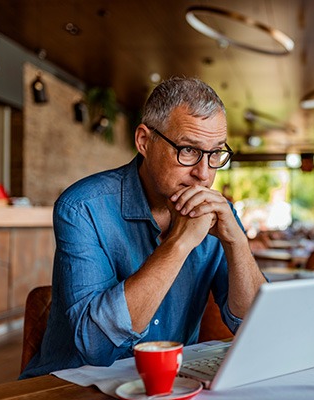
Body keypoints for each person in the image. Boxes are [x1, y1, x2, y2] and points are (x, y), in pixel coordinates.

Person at [20, 77, 266, 378]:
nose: (203, 174)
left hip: (168, 386)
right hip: (74, 387)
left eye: (215, 153)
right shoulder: (83, 207)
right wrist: (178, 244)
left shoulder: (218, 214)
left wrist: (237, 242)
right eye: (188, 150)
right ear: (144, 141)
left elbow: (257, 328)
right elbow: (96, 347)